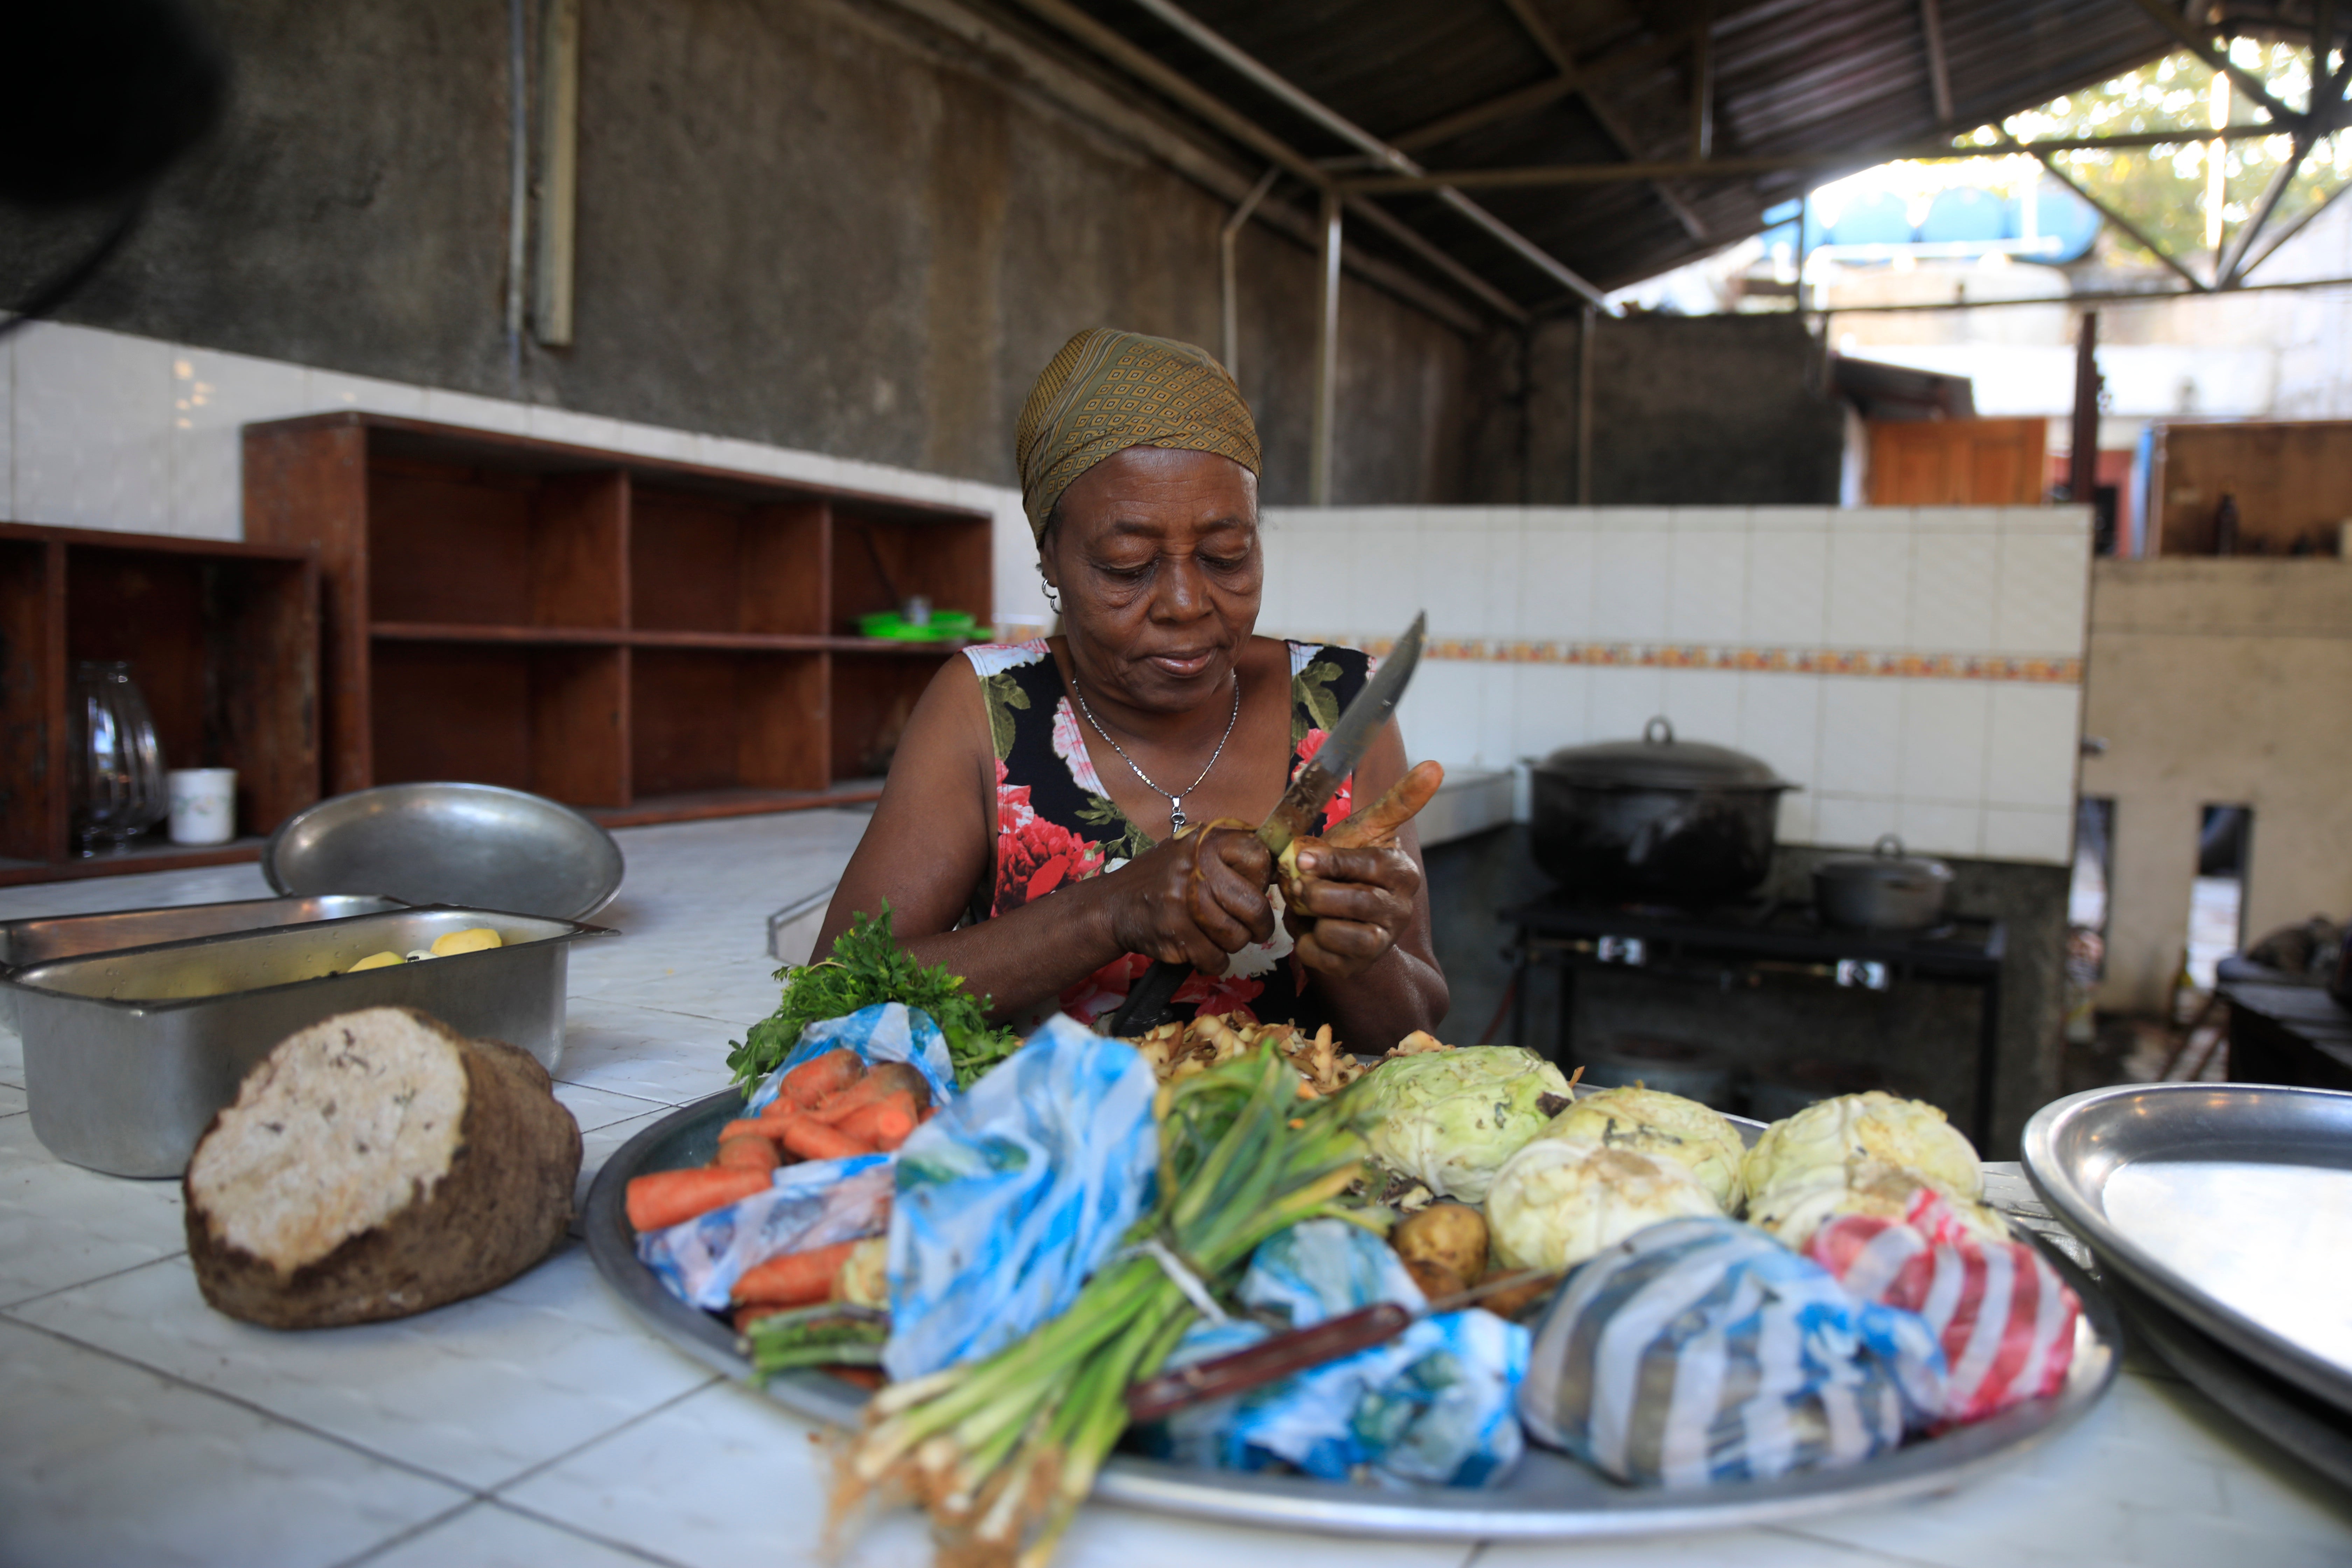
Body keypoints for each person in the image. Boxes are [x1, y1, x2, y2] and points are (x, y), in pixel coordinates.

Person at [815, 327, 1446, 1048]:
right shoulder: (985, 710)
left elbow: (1418, 1026)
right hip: (1047, 1154)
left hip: (1289, 1156)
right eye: (1126, 566)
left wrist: (1358, 959)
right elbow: (836, 996)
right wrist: (1108, 910)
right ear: (1050, 556)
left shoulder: (1339, 709)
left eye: (1227, 556)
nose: (1185, 602)